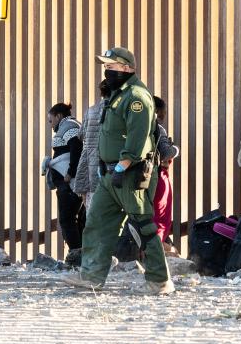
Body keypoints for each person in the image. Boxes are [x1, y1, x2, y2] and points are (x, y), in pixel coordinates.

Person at [65, 47, 172, 294]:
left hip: (130, 173)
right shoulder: (117, 95)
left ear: (126, 68)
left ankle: (160, 280)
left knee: (143, 225)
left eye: (111, 66)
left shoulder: (136, 97)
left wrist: (123, 167)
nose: (106, 71)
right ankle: (91, 275)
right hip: (110, 174)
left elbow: (136, 138)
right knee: (97, 222)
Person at [42, 103, 86, 267]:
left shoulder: (68, 125)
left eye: (50, 120)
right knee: (74, 219)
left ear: (58, 116)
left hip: (69, 184)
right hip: (67, 183)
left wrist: (70, 173)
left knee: (67, 220)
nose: (50, 124)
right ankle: (80, 254)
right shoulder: (69, 126)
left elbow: (76, 147)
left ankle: (76, 254)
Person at [71, 78, 114, 208]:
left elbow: (81, 134)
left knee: (91, 203)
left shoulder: (91, 110)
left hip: (89, 160)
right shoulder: (117, 110)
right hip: (109, 160)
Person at [152, 97, 179, 252]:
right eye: (163, 113)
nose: (164, 116)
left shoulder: (135, 127)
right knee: (161, 218)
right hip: (158, 176)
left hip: (139, 179)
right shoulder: (158, 129)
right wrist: (175, 148)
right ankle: (156, 251)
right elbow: (166, 154)